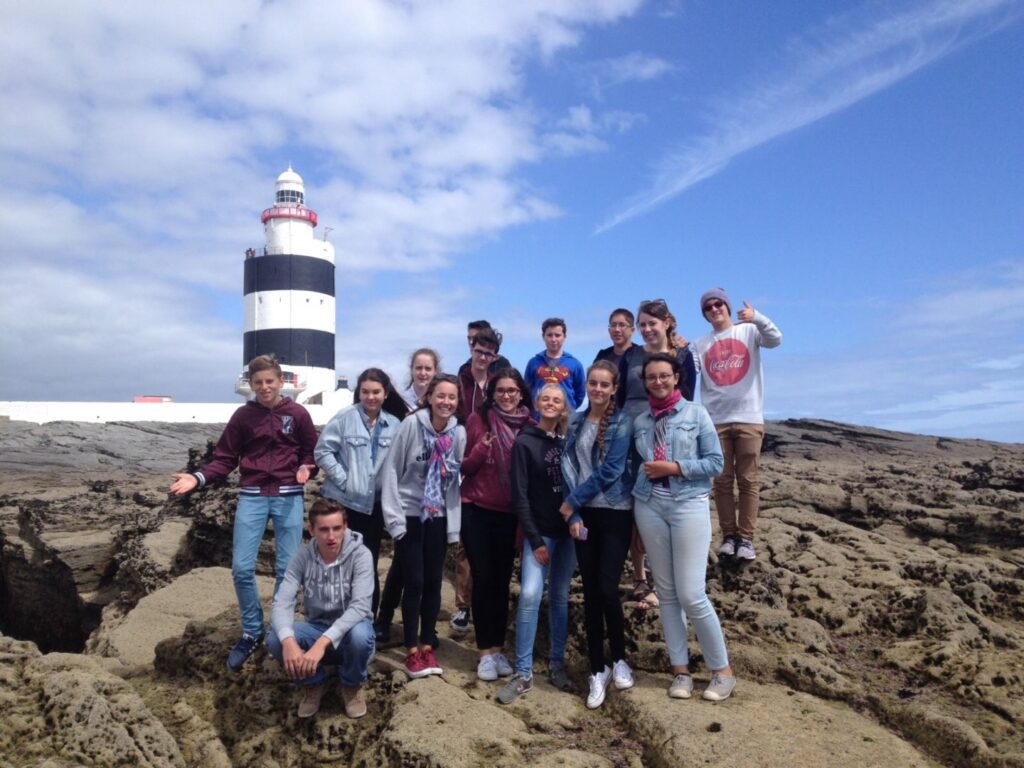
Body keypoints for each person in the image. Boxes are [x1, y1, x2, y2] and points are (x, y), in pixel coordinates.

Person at [169, 354, 317, 672]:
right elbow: (225, 458)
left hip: (289, 496)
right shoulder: (242, 417)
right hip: (251, 496)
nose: (265, 387)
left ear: (281, 382)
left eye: (270, 381)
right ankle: (252, 631)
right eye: (258, 382)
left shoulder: (298, 413)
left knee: (286, 571)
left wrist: (307, 467)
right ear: (250, 384)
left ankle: (280, 629)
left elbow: (310, 451)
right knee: (241, 569)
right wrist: (197, 477)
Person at [632, 353, 737, 702]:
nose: (658, 382)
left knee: (692, 593)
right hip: (649, 506)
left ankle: (722, 671)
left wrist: (674, 467)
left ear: (676, 378)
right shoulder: (641, 420)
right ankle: (680, 672)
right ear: (645, 381)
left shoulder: (696, 413)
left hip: (688, 504)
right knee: (667, 594)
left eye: (664, 376)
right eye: (652, 377)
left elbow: (717, 463)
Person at [560, 360, 636, 709]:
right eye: (593, 383)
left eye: (605, 384)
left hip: (616, 513)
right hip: (584, 517)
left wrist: (571, 501)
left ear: (614, 388)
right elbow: (567, 469)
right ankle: (597, 668)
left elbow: (612, 470)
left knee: (607, 587)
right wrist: (574, 512)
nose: (598, 390)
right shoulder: (574, 420)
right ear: (586, 385)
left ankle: (619, 658)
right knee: (590, 591)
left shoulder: (623, 422)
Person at [381, 373, 466, 679]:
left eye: (452, 397)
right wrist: (394, 520)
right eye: (440, 396)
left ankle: (428, 644)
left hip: (438, 516)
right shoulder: (411, 426)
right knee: (413, 581)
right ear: (429, 397)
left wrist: (454, 527)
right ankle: (411, 649)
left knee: (433, 582)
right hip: (409, 513)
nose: (446, 402)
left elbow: (456, 483)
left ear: (458, 402)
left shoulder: (458, 433)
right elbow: (391, 470)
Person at [497, 384, 576, 704]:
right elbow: (520, 497)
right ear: (537, 404)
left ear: (564, 406)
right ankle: (523, 672)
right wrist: (535, 541)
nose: (551, 403)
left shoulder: (569, 441)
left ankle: (557, 665)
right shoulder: (525, 443)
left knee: (560, 596)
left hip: (568, 533)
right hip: (540, 534)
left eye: (557, 399)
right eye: (546, 399)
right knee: (530, 594)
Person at [692, 288, 783, 562]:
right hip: (715, 421)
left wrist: (757, 317)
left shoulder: (749, 331)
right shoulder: (701, 344)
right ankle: (728, 536)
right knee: (721, 481)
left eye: (718, 303)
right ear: (704, 313)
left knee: (747, 480)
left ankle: (746, 539)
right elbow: (686, 369)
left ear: (727, 307)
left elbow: (775, 339)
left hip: (748, 417)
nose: (714, 308)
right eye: (708, 307)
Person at [267, 498, 375, 719]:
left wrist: (321, 644)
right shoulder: (302, 557)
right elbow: (282, 603)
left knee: (361, 634)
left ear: (345, 527)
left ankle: (352, 684)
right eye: (324, 530)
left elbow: (360, 607)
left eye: (337, 528)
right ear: (312, 530)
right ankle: (313, 683)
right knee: (275, 639)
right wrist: (289, 642)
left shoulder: (361, 555)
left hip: (349, 636)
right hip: (315, 629)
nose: (332, 536)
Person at [315, 368, 409, 615]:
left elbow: (400, 463)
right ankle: (334, 616)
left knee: (368, 563)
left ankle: (366, 620)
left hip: (374, 507)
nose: (371, 397)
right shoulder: (345, 417)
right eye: (365, 392)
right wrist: (344, 480)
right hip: (343, 505)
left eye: (376, 392)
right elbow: (322, 451)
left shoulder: (395, 424)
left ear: (386, 393)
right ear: (359, 392)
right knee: (339, 562)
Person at [460, 368, 533, 682]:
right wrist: (481, 449)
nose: (506, 395)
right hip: (476, 509)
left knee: (502, 583)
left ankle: (499, 648)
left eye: (512, 390)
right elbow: (464, 466)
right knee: (483, 577)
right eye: (500, 390)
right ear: (492, 393)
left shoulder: (530, 425)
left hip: (510, 514)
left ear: (520, 393)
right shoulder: (478, 420)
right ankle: (484, 653)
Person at [594, 308, 652, 609]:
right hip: (613, 433)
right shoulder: (603, 355)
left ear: (632, 328)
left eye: (623, 325)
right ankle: (619, 572)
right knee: (618, 503)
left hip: (642, 433)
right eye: (613, 325)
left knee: (642, 502)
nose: (617, 330)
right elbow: (597, 393)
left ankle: (644, 578)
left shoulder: (644, 354)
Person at [451, 327, 504, 632]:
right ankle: (462, 606)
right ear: (471, 348)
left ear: (494, 355)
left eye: (488, 353)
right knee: (464, 543)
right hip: (464, 458)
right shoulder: (460, 381)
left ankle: (488, 604)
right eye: (478, 351)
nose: (483, 357)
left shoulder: (497, 382)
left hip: (494, 466)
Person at [523, 317, 586, 412]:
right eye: (549, 335)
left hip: (565, 419)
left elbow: (580, 394)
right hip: (538, 419)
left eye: (557, 335)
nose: (553, 339)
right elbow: (526, 391)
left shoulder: (575, 364)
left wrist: (569, 408)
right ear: (543, 336)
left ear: (564, 337)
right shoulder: (533, 363)